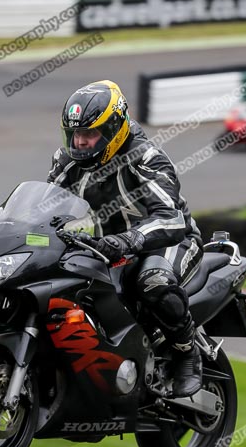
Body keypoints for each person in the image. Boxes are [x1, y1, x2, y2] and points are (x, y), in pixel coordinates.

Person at [47, 79, 203, 397]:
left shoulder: (146, 158)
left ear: (114, 128)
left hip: (170, 241)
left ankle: (187, 352)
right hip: (111, 246)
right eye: (76, 134)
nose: (81, 143)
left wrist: (127, 241)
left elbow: (170, 219)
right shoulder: (67, 161)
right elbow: (45, 206)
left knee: (153, 281)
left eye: (90, 134)